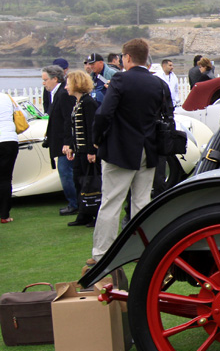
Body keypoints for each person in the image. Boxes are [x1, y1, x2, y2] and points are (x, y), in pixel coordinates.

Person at [86, 38, 171, 270]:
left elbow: (104, 114)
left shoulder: (120, 79)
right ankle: (143, 250)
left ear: (127, 58)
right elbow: (165, 114)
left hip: (121, 149)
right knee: (142, 202)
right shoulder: (158, 83)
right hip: (148, 148)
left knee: (111, 201)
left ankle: (103, 252)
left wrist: (96, 140)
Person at [62, 70, 99, 227]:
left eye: (68, 84)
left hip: (86, 151)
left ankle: (95, 214)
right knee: (79, 181)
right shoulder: (79, 103)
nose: (66, 87)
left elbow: (92, 128)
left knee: (91, 182)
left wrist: (92, 150)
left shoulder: (88, 103)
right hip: (79, 151)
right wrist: (71, 145)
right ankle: (84, 214)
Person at [41, 65, 77, 215]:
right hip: (62, 141)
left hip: (65, 142)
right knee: (66, 172)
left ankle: (74, 203)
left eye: (45, 80)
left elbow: (68, 120)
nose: (43, 83)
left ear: (55, 79)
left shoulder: (62, 94)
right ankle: (74, 203)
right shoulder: (58, 93)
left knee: (66, 172)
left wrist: (67, 142)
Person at [0, 92, 26, 223]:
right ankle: (4, 215)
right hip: (9, 139)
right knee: (5, 178)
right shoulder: (7, 97)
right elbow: (23, 115)